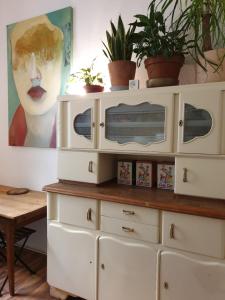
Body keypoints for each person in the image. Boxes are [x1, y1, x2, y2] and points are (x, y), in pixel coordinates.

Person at [9, 15, 64, 147]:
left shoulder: (70, 128)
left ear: (62, 61)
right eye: (22, 63)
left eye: (45, 57)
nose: (34, 76)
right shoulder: (13, 133)